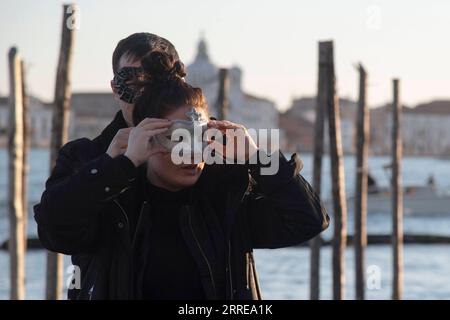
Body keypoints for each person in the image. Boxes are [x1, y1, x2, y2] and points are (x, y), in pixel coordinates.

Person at [34, 39, 330, 300]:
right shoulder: (87, 158)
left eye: (159, 81)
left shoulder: (224, 177)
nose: (190, 154)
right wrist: (114, 168)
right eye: (135, 84)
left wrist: (258, 157)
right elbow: (56, 231)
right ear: (116, 87)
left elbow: (306, 221)